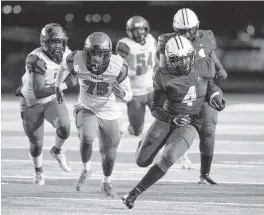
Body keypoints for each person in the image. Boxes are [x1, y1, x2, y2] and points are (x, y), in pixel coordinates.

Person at [121, 36, 225, 209]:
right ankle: (144, 143)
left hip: (191, 121)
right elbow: (155, 107)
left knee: (169, 156)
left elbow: (211, 85)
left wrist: (216, 97)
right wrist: (171, 118)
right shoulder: (162, 74)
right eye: (177, 59)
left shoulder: (204, 65)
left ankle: (134, 193)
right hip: (167, 117)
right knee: (141, 161)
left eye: (185, 57)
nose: (183, 62)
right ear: (169, 59)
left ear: (191, 55)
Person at [55, 32, 132, 197]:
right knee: (87, 136)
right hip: (86, 106)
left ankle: (106, 181)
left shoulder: (118, 65)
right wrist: (58, 85)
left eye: (101, 53)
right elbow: (63, 65)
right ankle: (86, 169)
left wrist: (123, 95)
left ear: (108, 54)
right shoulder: (76, 58)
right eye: (93, 53)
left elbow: (129, 95)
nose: (96, 58)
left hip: (109, 111)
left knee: (110, 155)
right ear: (86, 51)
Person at [158, 8, 228, 182]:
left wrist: (219, 68)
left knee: (208, 129)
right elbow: (162, 68)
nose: (187, 33)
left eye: (190, 29)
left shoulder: (207, 36)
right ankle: (154, 152)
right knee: (171, 128)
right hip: (182, 91)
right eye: (183, 31)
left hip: (205, 86)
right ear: (175, 30)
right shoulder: (167, 40)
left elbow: (211, 55)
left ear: (197, 26)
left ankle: (204, 174)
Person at [15, 23, 75, 185]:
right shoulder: (36, 59)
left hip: (51, 100)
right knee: (36, 144)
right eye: (52, 42)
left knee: (65, 128)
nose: (57, 46)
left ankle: (57, 151)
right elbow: (39, 92)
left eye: (59, 41)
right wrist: (64, 85)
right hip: (31, 103)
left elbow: (74, 76)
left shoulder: (67, 54)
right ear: (44, 43)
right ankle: (39, 172)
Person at [115, 16, 158, 136]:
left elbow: (156, 61)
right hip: (135, 93)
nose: (140, 32)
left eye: (142, 29)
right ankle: (126, 126)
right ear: (130, 31)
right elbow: (119, 71)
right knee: (136, 130)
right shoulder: (124, 45)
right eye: (136, 30)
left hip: (152, 90)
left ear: (147, 29)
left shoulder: (151, 40)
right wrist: (136, 73)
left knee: (166, 118)